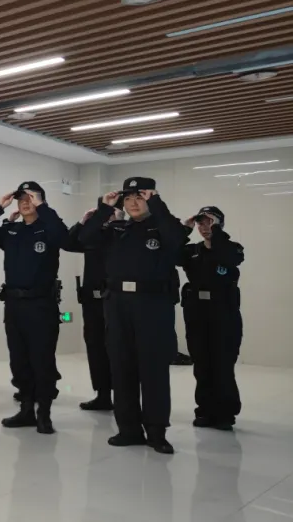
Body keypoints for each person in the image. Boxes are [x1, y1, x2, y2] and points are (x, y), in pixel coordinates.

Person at [79, 177, 186, 454]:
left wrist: (157, 203)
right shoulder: (117, 229)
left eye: (139, 197)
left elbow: (178, 239)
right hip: (117, 306)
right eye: (128, 199)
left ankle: (156, 432)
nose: (133, 203)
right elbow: (82, 239)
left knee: (153, 371)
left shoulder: (163, 226)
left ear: (150, 198)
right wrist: (104, 209)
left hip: (152, 306)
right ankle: (128, 429)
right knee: (121, 368)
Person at [0, 181, 68, 434]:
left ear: (40, 201)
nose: (25, 203)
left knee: (42, 360)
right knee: (19, 360)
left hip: (41, 305)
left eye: (31, 198)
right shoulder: (12, 231)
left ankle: (44, 413)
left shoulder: (48, 228)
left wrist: (44, 207)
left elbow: (65, 238)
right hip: (14, 305)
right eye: (21, 199)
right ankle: (26, 409)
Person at [178, 206, 245, 431]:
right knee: (202, 364)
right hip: (197, 314)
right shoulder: (191, 251)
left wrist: (216, 233)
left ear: (219, 224)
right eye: (201, 223)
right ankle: (205, 410)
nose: (204, 227)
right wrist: (184, 229)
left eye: (210, 222)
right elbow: (169, 254)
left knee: (223, 365)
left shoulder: (232, 248)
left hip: (224, 314)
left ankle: (225, 414)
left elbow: (227, 257)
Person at [64, 207, 116, 411]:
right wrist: (82, 221)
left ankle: (123, 396)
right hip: (92, 302)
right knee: (95, 348)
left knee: (118, 349)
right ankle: (103, 394)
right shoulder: (91, 236)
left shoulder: (123, 234)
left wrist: (117, 222)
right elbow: (67, 243)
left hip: (115, 301)